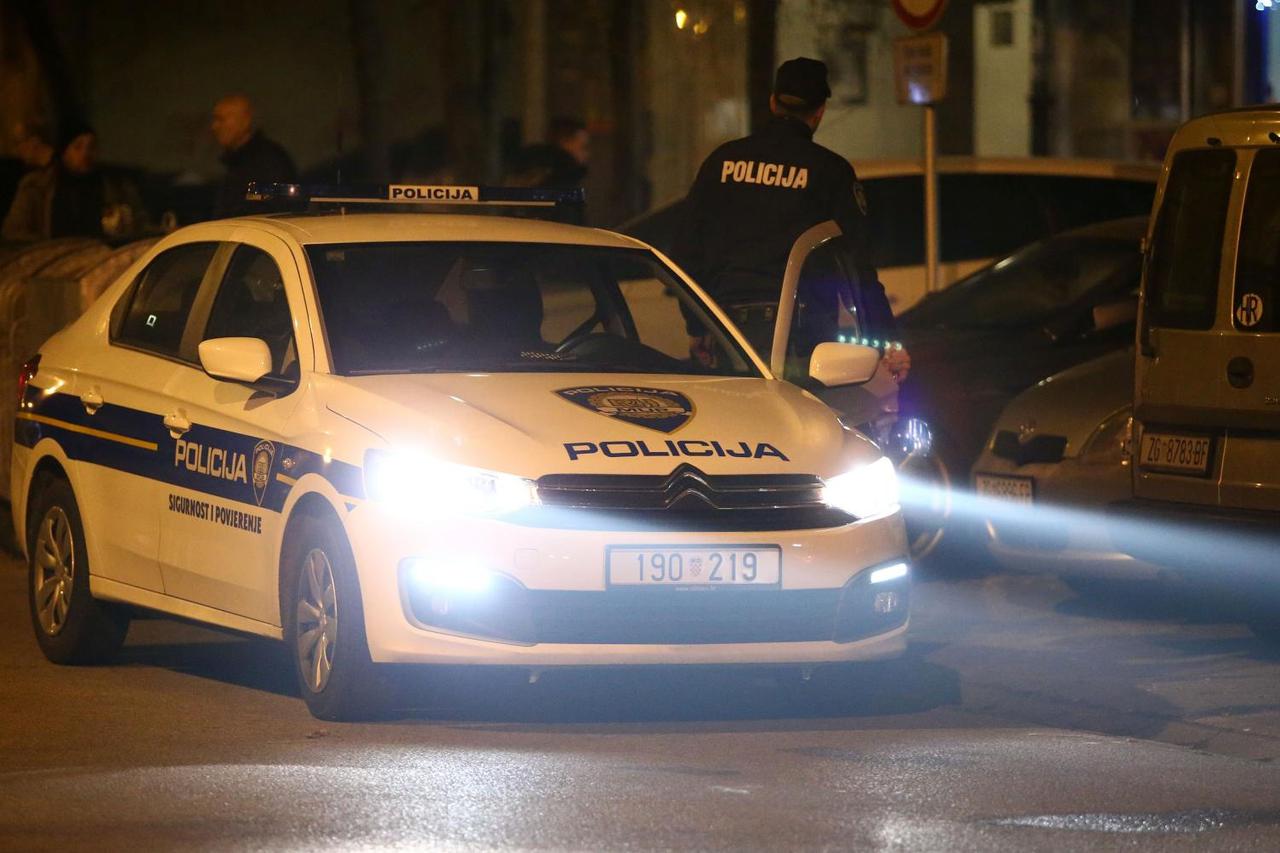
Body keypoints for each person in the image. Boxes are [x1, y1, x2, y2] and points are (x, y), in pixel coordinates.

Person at [672, 58, 910, 383]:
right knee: (796, 415)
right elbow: (857, 266)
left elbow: (686, 250)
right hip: (801, 338)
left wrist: (698, 325)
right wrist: (886, 341)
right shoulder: (830, 171)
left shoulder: (721, 162)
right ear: (819, 112)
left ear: (773, 102)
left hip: (728, 333)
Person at [2, 119, 145, 242]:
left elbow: (140, 223)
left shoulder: (115, 186)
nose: (86, 153)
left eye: (91, 147)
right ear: (64, 152)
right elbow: (14, 232)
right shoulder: (37, 187)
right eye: (78, 147)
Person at [210, 94, 297, 218]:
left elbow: (272, 210)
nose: (215, 126)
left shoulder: (267, 162)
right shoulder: (239, 162)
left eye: (221, 119)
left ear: (245, 122)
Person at [505, 117, 590, 223]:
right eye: (583, 147)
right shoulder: (563, 177)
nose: (587, 155)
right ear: (565, 142)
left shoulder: (526, 168)